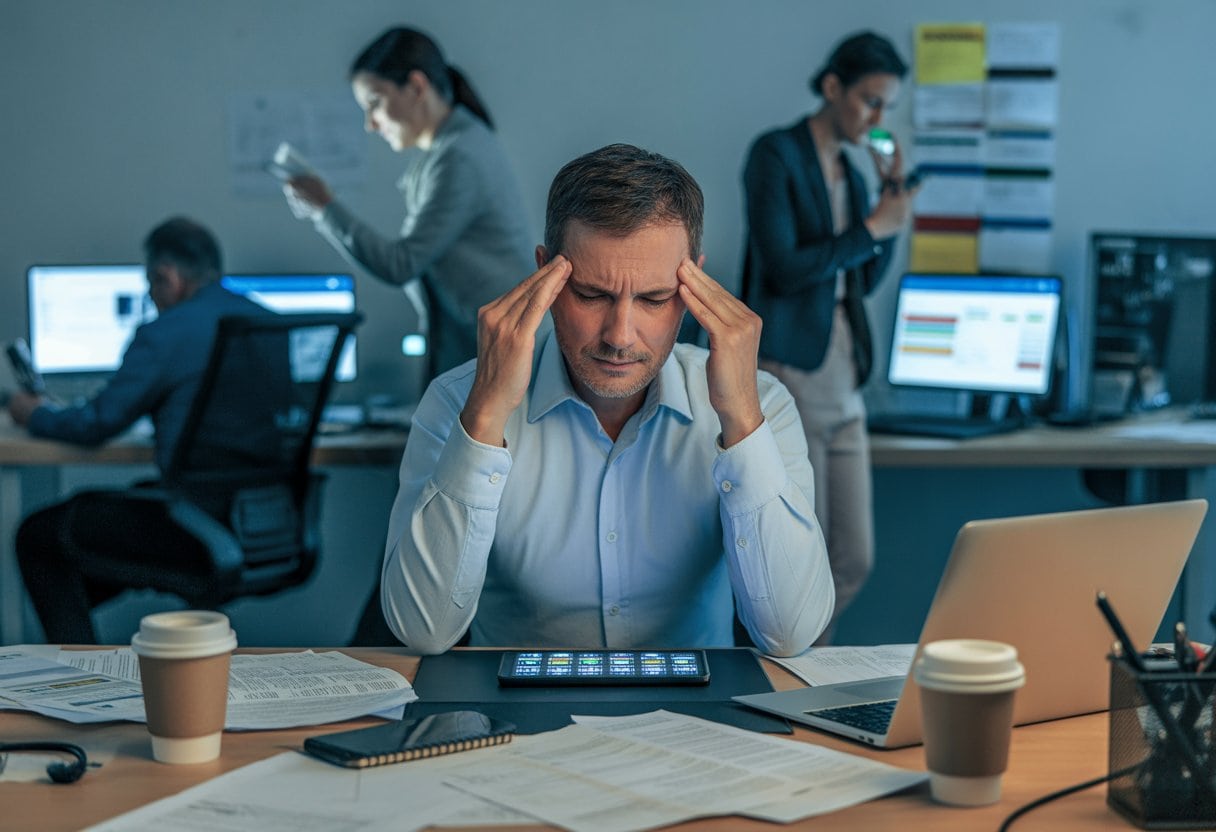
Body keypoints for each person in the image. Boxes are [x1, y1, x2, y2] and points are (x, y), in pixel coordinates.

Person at [380, 144, 834, 657]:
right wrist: (485, 417)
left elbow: (790, 632)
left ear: (694, 289)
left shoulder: (762, 406)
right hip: (516, 723)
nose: (619, 336)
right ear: (544, 277)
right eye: (592, 296)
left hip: (695, 720)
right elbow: (421, 630)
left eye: (654, 299)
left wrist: (741, 422)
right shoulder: (456, 403)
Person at [10, 217, 273, 644]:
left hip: (197, 525)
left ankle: (80, 671)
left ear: (166, 276)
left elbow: (95, 424)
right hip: (264, 521)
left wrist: (34, 413)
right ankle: (86, 656)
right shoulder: (265, 321)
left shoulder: (164, 333)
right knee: (109, 521)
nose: (152, 298)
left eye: (151, 286)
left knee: (38, 535)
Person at [740, 31, 913, 642]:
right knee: (798, 555)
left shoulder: (853, 174)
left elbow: (862, 279)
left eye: (886, 106)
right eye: (870, 100)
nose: (877, 117)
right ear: (833, 87)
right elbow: (784, 266)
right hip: (793, 366)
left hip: (844, 373)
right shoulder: (776, 156)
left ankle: (799, 665)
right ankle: (791, 679)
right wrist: (869, 228)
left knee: (853, 558)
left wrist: (888, 205)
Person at [283, 25, 536, 380]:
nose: (371, 124)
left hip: (501, 360)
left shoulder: (458, 157)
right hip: (484, 354)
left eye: (375, 103)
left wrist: (325, 207)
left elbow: (401, 264)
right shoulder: (448, 152)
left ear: (417, 87)